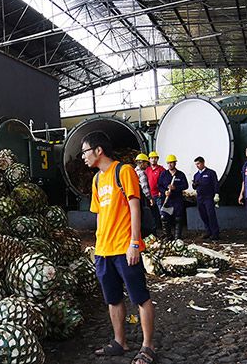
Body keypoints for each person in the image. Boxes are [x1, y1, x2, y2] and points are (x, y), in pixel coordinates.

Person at [82, 132, 157, 364]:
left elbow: (135, 207)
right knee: (112, 299)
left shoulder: (123, 171)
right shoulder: (96, 180)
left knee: (140, 297)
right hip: (104, 250)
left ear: (98, 150)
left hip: (125, 247)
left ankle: (148, 346)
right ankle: (119, 342)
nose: (83, 157)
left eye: (85, 151)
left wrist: (135, 242)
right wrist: (97, 246)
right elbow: (99, 216)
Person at [157, 154, 188, 240]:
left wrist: (176, 188)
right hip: (167, 201)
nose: (170, 164)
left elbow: (185, 185)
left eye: (172, 163)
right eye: (168, 163)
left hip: (177, 201)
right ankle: (168, 236)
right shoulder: (164, 174)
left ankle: (177, 237)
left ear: (175, 163)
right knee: (164, 217)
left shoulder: (180, 174)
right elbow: (159, 186)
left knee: (178, 218)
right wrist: (165, 191)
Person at [192, 156, 220, 241]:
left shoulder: (211, 173)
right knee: (203, 215)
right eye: (196, 164)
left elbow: (215, 184)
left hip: (209, 197)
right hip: (200, 197)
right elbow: (195, 187)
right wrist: (194, 185)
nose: (197, 166)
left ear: (203, 163)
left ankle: (215, 233)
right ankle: (208, 231)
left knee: (211, 215)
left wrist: (216, 193)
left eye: (199, 164)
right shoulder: (196, 175)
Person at [145, 151, 165, 234]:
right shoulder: (147, 170)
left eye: (155, 158)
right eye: (152, 158)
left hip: (159, 194)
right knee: (153, 213)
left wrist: (161, 191)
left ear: (157, 159)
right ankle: (156, 230)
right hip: (151, 195)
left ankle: (165, 231)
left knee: (162, 213)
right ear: (149, 160)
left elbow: (165, 181)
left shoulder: (161, 169)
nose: (153, 160)